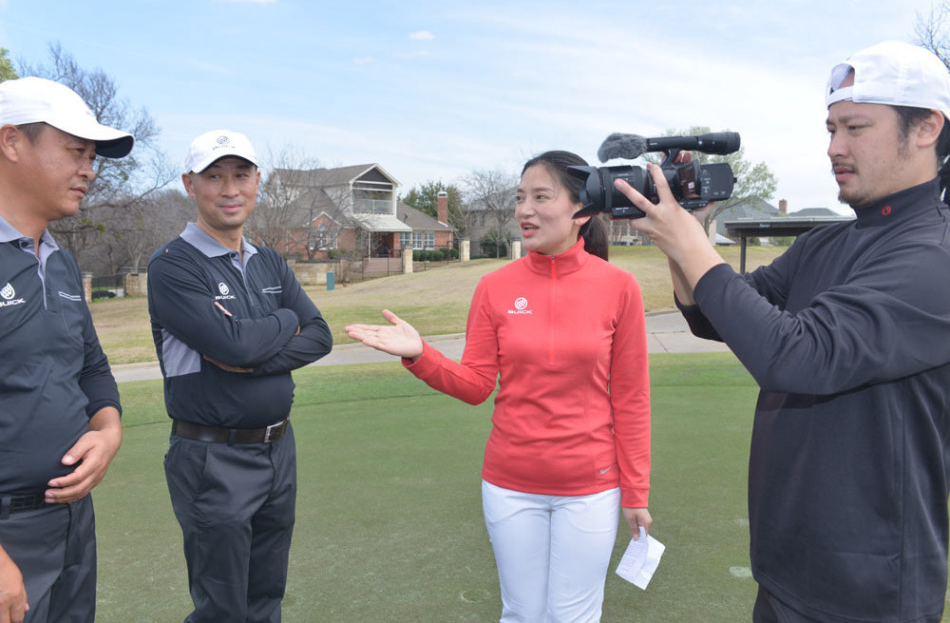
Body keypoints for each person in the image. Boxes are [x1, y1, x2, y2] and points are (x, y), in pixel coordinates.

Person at [619, 40, 950, 622]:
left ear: (926, 129)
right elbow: (714, 312)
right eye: (830, 128)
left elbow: (798, 357)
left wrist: (695, 249)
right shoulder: (827, 241)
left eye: (855, 128)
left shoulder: (935, 255)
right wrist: (682, 236)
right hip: (784, 570)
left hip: (869, 590)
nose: (834, 148)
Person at [346, 150, 652, 623]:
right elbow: (475, 385)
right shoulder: (494, 287)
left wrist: (636, 491)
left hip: (590, 487)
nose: (524, 210)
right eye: (519, 198)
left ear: (582, 209)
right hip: (511, 486)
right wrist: (418, 354)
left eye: (540, 197)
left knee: (574, 616)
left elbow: (631, 399)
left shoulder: (620, 287)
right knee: (523, 614)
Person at [147, 129, 333, 622]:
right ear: (190, 184)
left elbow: (319, 335)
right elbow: (233, 345)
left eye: (240, 174)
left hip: (277, 450)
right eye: (214, 176)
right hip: (213, 457)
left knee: (266, 596)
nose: (229, 189)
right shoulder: (172, 266)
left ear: (257, 182)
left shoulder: (269, 260)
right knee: (223, 608)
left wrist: (259, 345)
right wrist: (282, 323)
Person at [0, 76, 132, 622]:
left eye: (93, 155)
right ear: (10, 142)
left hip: (73, 523)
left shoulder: (59, 260)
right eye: (76, 151)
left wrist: (109, 430)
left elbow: (90, 367)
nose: (90, 169)